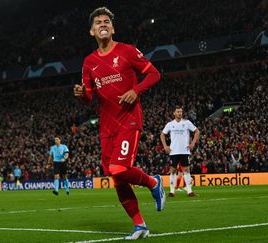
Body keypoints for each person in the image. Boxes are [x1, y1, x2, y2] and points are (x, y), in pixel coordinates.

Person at [73, 7, 165, 240]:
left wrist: (136, 90)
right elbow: (88, 98)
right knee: (117, 177)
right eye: (98, 22)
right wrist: (81, 93)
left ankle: (154, 183)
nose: (102, 24)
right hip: (106, 126)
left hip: (129, 120)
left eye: (106, 21)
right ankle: (140, 225)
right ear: (91, 31)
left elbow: (154, 74)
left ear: (112, 28)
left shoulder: (127, 51)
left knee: (119, 168)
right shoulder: (89, 62)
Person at [160, 106, 199, 197]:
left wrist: (193, 143)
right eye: (178, 112)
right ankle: (172, 191)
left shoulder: (187, 123)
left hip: (185, 151)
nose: (180, 113)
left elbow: (197, 131)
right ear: (174, 113)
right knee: (173, 170)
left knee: (186, 170)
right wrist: (165, 146)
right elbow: (162, 134)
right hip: (174, 151)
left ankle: (189, 191)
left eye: (181, 112)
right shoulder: (170, 124)